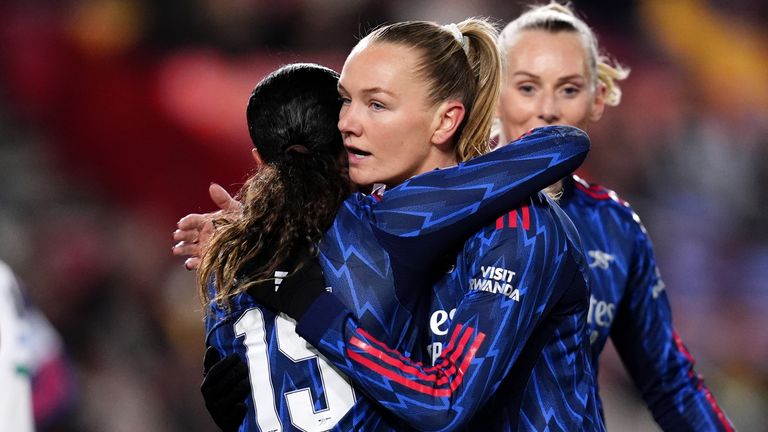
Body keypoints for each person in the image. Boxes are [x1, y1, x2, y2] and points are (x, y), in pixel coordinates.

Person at [235, 19, 603, 431]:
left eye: (376, 104)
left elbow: (446, 405)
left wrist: (317, 315)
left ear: (444, 122)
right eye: (345, 100)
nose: (346, 123)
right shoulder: (364, 217)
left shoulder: (518, 229)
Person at [494, 2, 734, 431]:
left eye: (569, 89)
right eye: (527, 87)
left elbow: (669, 381)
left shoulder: (614, 226)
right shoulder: (434, 208)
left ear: (597, 100)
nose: (547, 109)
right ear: (492, 93)